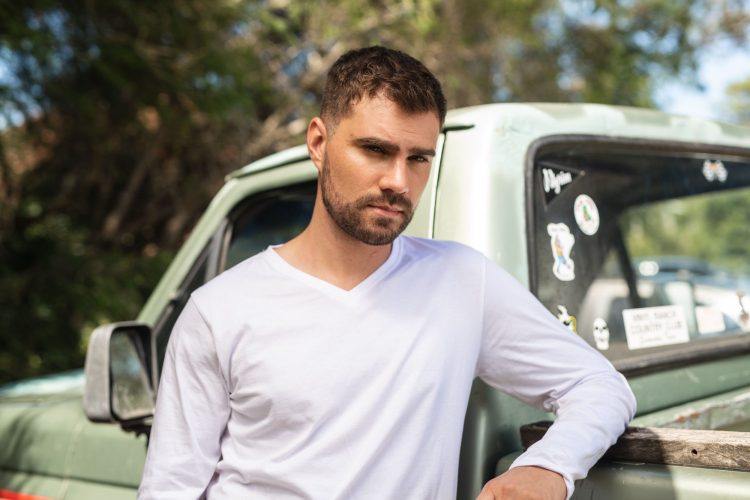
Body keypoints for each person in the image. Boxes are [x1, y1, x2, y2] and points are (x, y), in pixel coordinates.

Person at [138, 46, 636, 500]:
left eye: (418, 158)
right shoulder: (219, 310)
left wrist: (548, 466)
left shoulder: (461, 282)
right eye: (376, 150)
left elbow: (599, 385)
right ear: (319, 142)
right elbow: (169, 490)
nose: (399, 181)